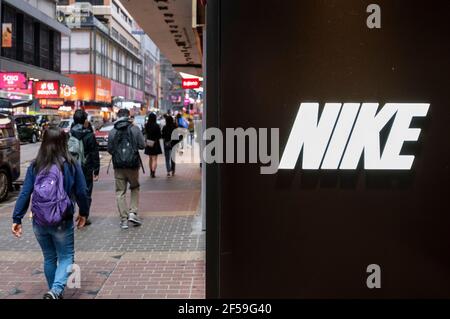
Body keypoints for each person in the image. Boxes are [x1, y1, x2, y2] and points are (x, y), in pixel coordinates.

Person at [11, 128, 89, 299]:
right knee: (66, 256)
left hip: (39, 220)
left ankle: (54, 292)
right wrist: (84, 212)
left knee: (49, 257)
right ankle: (55, 291)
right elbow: (82, 191)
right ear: (64, 142)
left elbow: (25, 193)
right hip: (62, 218)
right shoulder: (71, 163)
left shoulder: (36, 164)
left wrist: (17, 218)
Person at [108, 108, 145, 229]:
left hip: (118, 166)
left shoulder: (113, 131)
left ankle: (124, 219)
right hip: (133, 165)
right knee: (134, 187)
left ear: (118, 116)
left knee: (120, 191)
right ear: (129, 116)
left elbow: (109, 149)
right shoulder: (135, 129)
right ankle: (133, 213)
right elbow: (142, 145)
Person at [69, 110, 100, 226]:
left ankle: (71, 213)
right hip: (86, 168)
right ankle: (84, 216)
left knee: (72, 190)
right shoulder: (89, 135)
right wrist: (96, 169)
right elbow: (94, 153)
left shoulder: (69, 133)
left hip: (71, 166)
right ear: (85, 120)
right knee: (86, 192)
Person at [144, 113, 162, 178]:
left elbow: (145, 134)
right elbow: (160, 136)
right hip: (156, 143)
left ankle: (151, 171)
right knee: (154, 159)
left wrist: (145, 141)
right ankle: (153, 172)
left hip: (149, 142)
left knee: (150, 158)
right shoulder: (157, 125)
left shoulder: (146, 125)